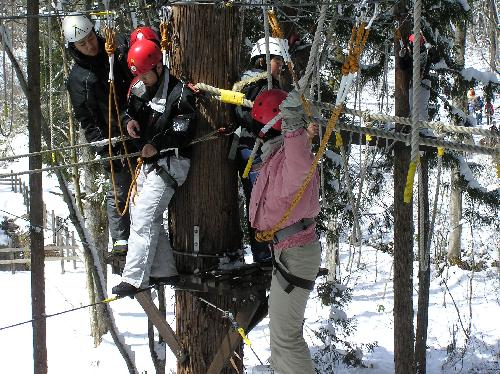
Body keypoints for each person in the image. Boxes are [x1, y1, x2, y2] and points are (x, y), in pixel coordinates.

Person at [111, 36, 196, 296]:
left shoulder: (181, 93)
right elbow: (129, 110)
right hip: (149, 161)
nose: (143, 81)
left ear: (159, 67)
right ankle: (163, 269)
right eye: (139, 76)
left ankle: (136, 278)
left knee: (145, 217)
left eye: (147, 75)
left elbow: (183, 128)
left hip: (172, 161)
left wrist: (157, 144)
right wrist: (129, 122)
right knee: (141, 215)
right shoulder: (138, 87)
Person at [249, 89, 321, 374]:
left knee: (286, 339)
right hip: (288, 252)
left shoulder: (293, 156)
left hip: (295, 252)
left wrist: (294, 127)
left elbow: (300, 161)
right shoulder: (277, 157)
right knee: (281, 339)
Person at [63, 14, 135, 256]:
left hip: (139, 123)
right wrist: (103, 147)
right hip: (110, 136)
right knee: (119, 187)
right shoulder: (78, 79)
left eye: (91, 38)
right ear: (74, 47)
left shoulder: (116, 50)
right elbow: (87, 120)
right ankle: (121, 240)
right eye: (82, 44)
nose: (90, 45)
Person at [233, 37, 286, 263]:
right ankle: (264, 252)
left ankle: (264, 251)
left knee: (260, 198)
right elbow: (256, 118)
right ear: (263, 60)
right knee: (263, 199)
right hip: (254, 148)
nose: (281, 67)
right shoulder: (263, 85)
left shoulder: (245, 83)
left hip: (248, 148)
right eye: (277, 61)